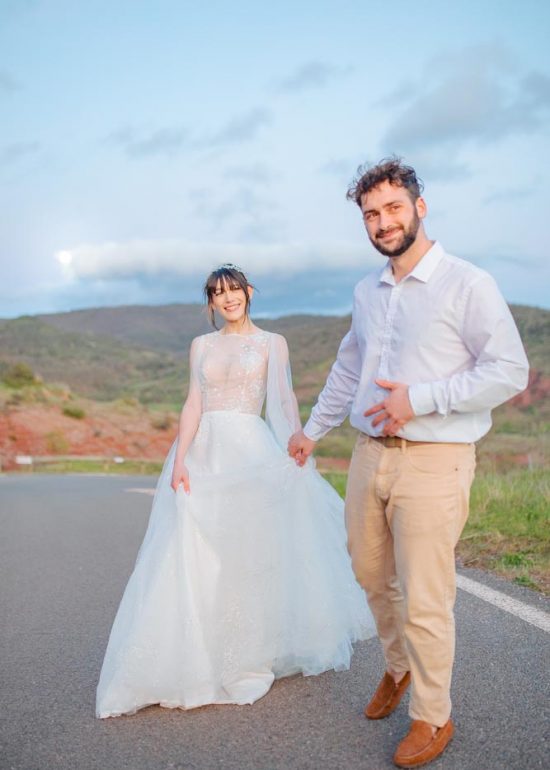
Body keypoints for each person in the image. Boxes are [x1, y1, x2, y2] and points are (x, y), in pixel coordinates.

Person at [288, 157, 529, 767]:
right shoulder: (366, 292)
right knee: (370, 575)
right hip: (370, 457)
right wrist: (313, 430)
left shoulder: (467, 284)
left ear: (420, 208)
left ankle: (432, 716)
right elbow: (349, 367)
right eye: (371, 213)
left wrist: (417, 400)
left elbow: (508, 370)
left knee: (425, 595)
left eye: (393, 208)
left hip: (436, 460)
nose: (382, 221)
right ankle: (397, 668)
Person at [96, 264, 375, 719]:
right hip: (205, 452)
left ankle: (247, 647)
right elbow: (193, 401)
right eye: (218, 293)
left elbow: (283, 399)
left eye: (234, 290)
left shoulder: (272, 343)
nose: (228, 298)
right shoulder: (200, 346)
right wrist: (180, 457)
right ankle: (195, 649)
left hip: (250, 451)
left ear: (248, 293)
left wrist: (296, 448)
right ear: (210, 302)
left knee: (248, 551)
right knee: (192, 549)